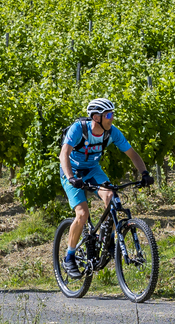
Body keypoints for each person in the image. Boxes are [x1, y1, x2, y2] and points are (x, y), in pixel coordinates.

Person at [58, 97, 151, 276]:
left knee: (112, 197)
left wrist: (144, 173)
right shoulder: (79, 129)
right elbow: (64, 154)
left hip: (93, 170)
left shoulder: (111, 132)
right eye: (108, 114)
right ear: (96, 117)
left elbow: (132, 154)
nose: (112, 118)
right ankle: (69, 257)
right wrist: (70, 177)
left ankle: (107, 241)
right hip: (72, 171)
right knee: (82, 214)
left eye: (113, 113)